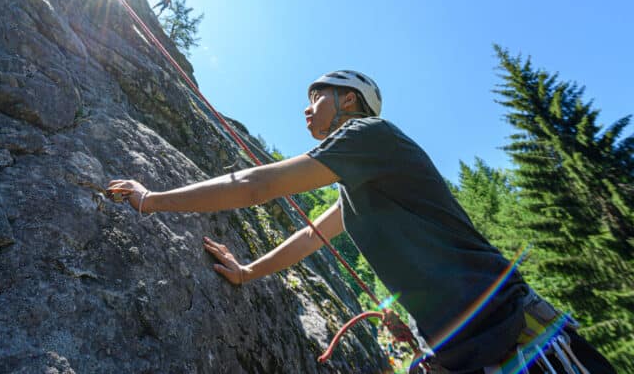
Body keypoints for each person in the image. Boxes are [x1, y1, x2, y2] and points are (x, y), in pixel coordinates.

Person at [106, 70, 616, 374]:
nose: (307, 108)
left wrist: (152, 199)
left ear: (348, 99)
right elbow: (312, 236)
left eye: (317, 96)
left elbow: (255, 185)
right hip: (476, 349)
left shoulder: (371, 134)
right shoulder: (361, 185)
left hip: (513, 337)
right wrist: (245, 273)